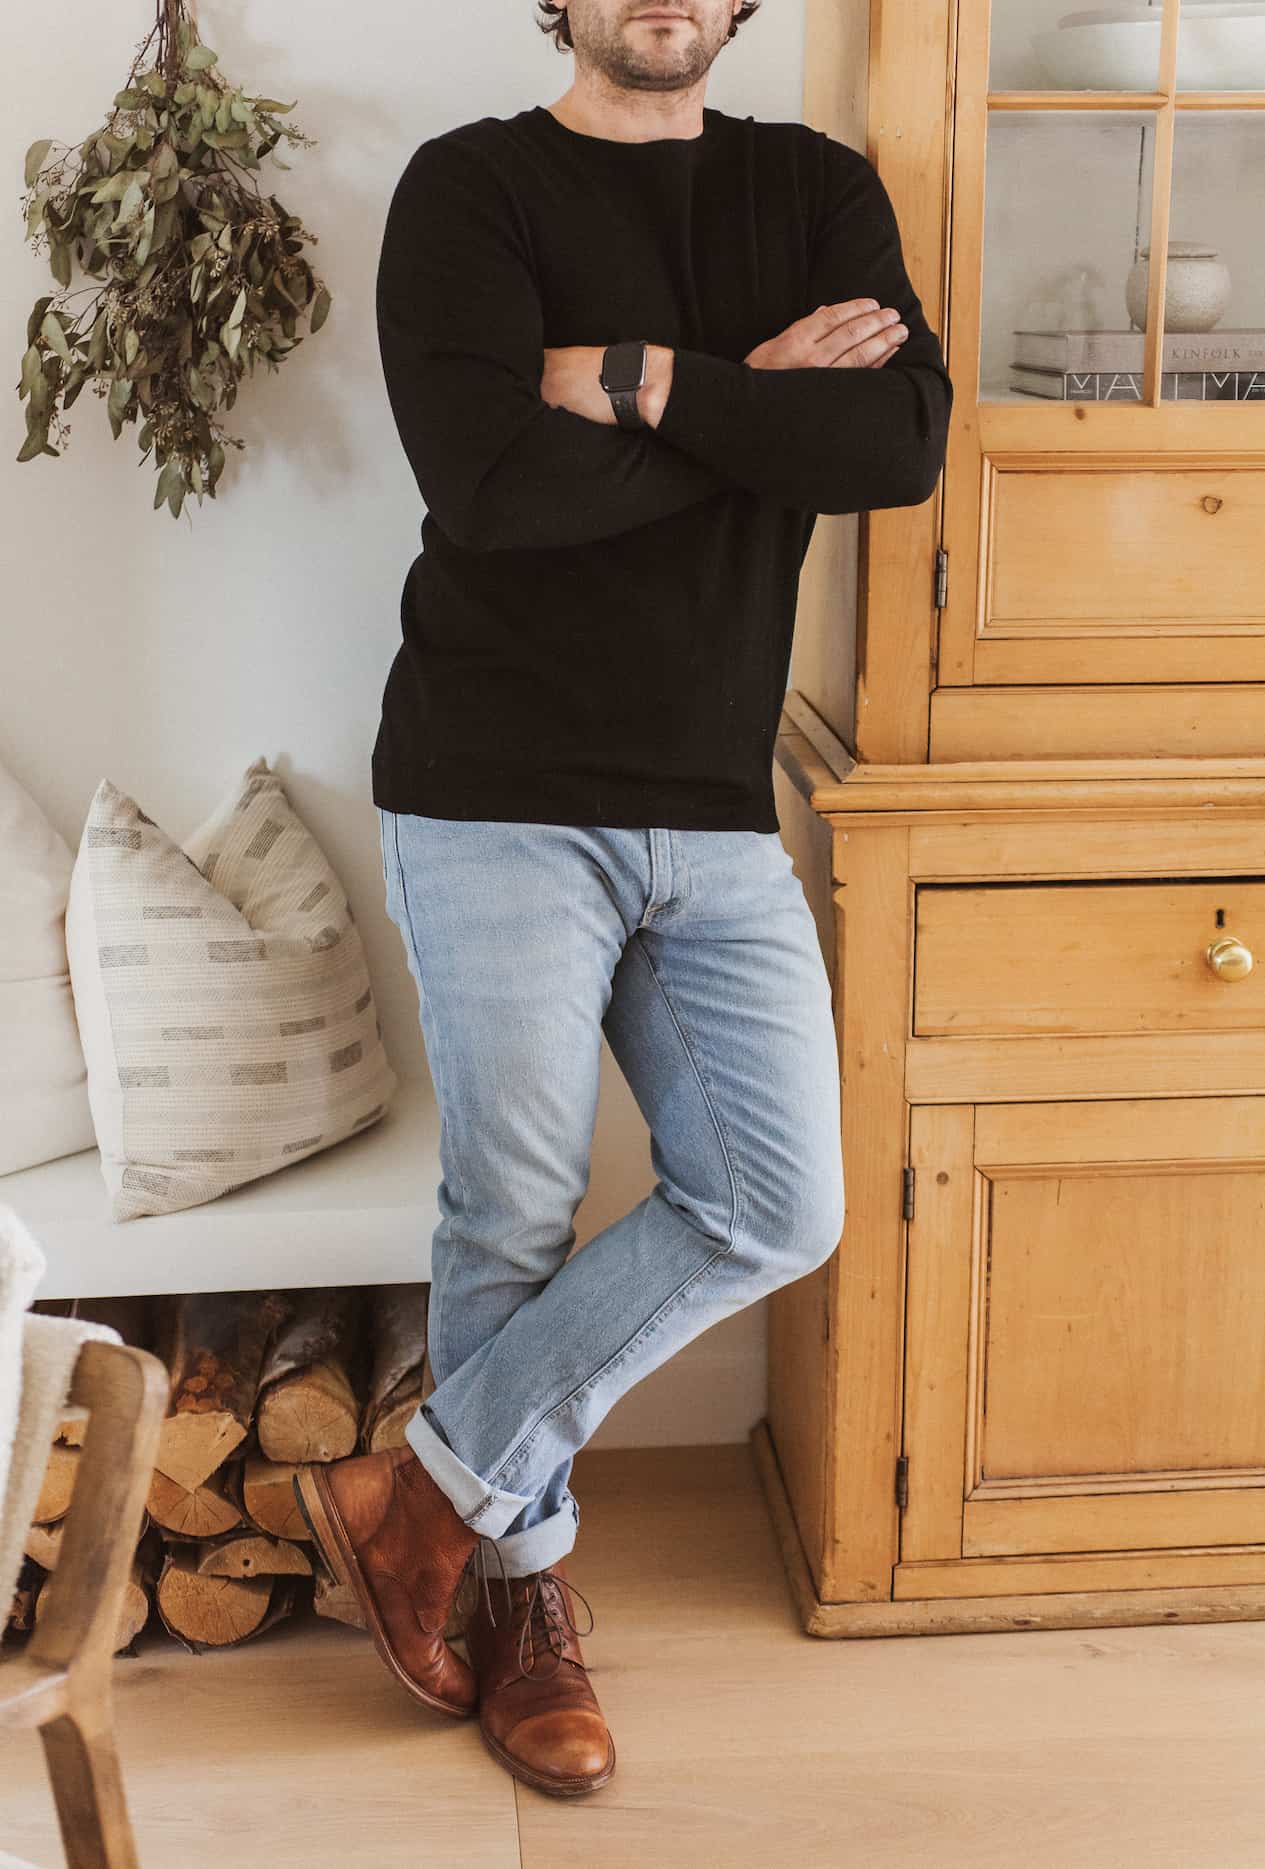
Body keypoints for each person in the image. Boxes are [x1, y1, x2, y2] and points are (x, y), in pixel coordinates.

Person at [294, 0, 952, 1801]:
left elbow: (891, 449)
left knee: (775, 1198)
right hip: (493, 783)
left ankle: (417, 1489)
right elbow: (493, 488)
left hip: (713, 798)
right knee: (507, 1209)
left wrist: (645, 375)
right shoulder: (470, 190)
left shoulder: (816, 188)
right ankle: (518, 1601)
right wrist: (759, 399)